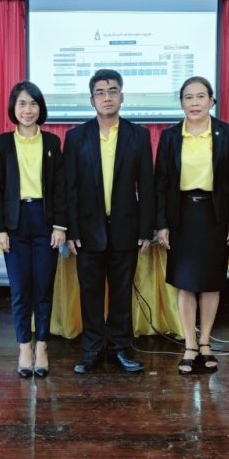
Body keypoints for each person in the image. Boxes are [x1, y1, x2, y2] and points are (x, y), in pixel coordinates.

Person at [65, 69, 155, 374]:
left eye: (113, 91)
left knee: (121, 293)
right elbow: (69, 187)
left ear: (122, 96)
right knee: (89, 292)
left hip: (126, 228)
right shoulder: (76, 137)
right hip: (87, 230)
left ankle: (119, 347)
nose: (107, 97)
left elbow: (147, 184)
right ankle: (91, 349)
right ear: (92, 100)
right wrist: (71, 229)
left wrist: (146, 229)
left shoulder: (138, 135)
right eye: (100, 93)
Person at [155, 76, 229, 375]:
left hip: (214, 216)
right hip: (181, 216)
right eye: (188, 97)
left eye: (200, 96)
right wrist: (161, 224)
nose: (194, 103)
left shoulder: (226, 133)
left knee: (211, 282)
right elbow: (160, 183)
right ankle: (190, 345)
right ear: (181, 103)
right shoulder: (170, 136)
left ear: (211, 100)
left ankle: (205, 343)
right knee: (185, 282)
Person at [0, 81, 66, 378]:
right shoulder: (1, 144)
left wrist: (60, 225)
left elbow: (59, 187)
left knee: (43, 288)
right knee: (21, 289)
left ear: (40, 108)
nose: (27, 110)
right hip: (15, 221)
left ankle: (42, 346)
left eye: (33, 103)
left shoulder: (52, 143)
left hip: (45, 221)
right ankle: (24, 346)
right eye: (22, 103)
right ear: (14, 108)